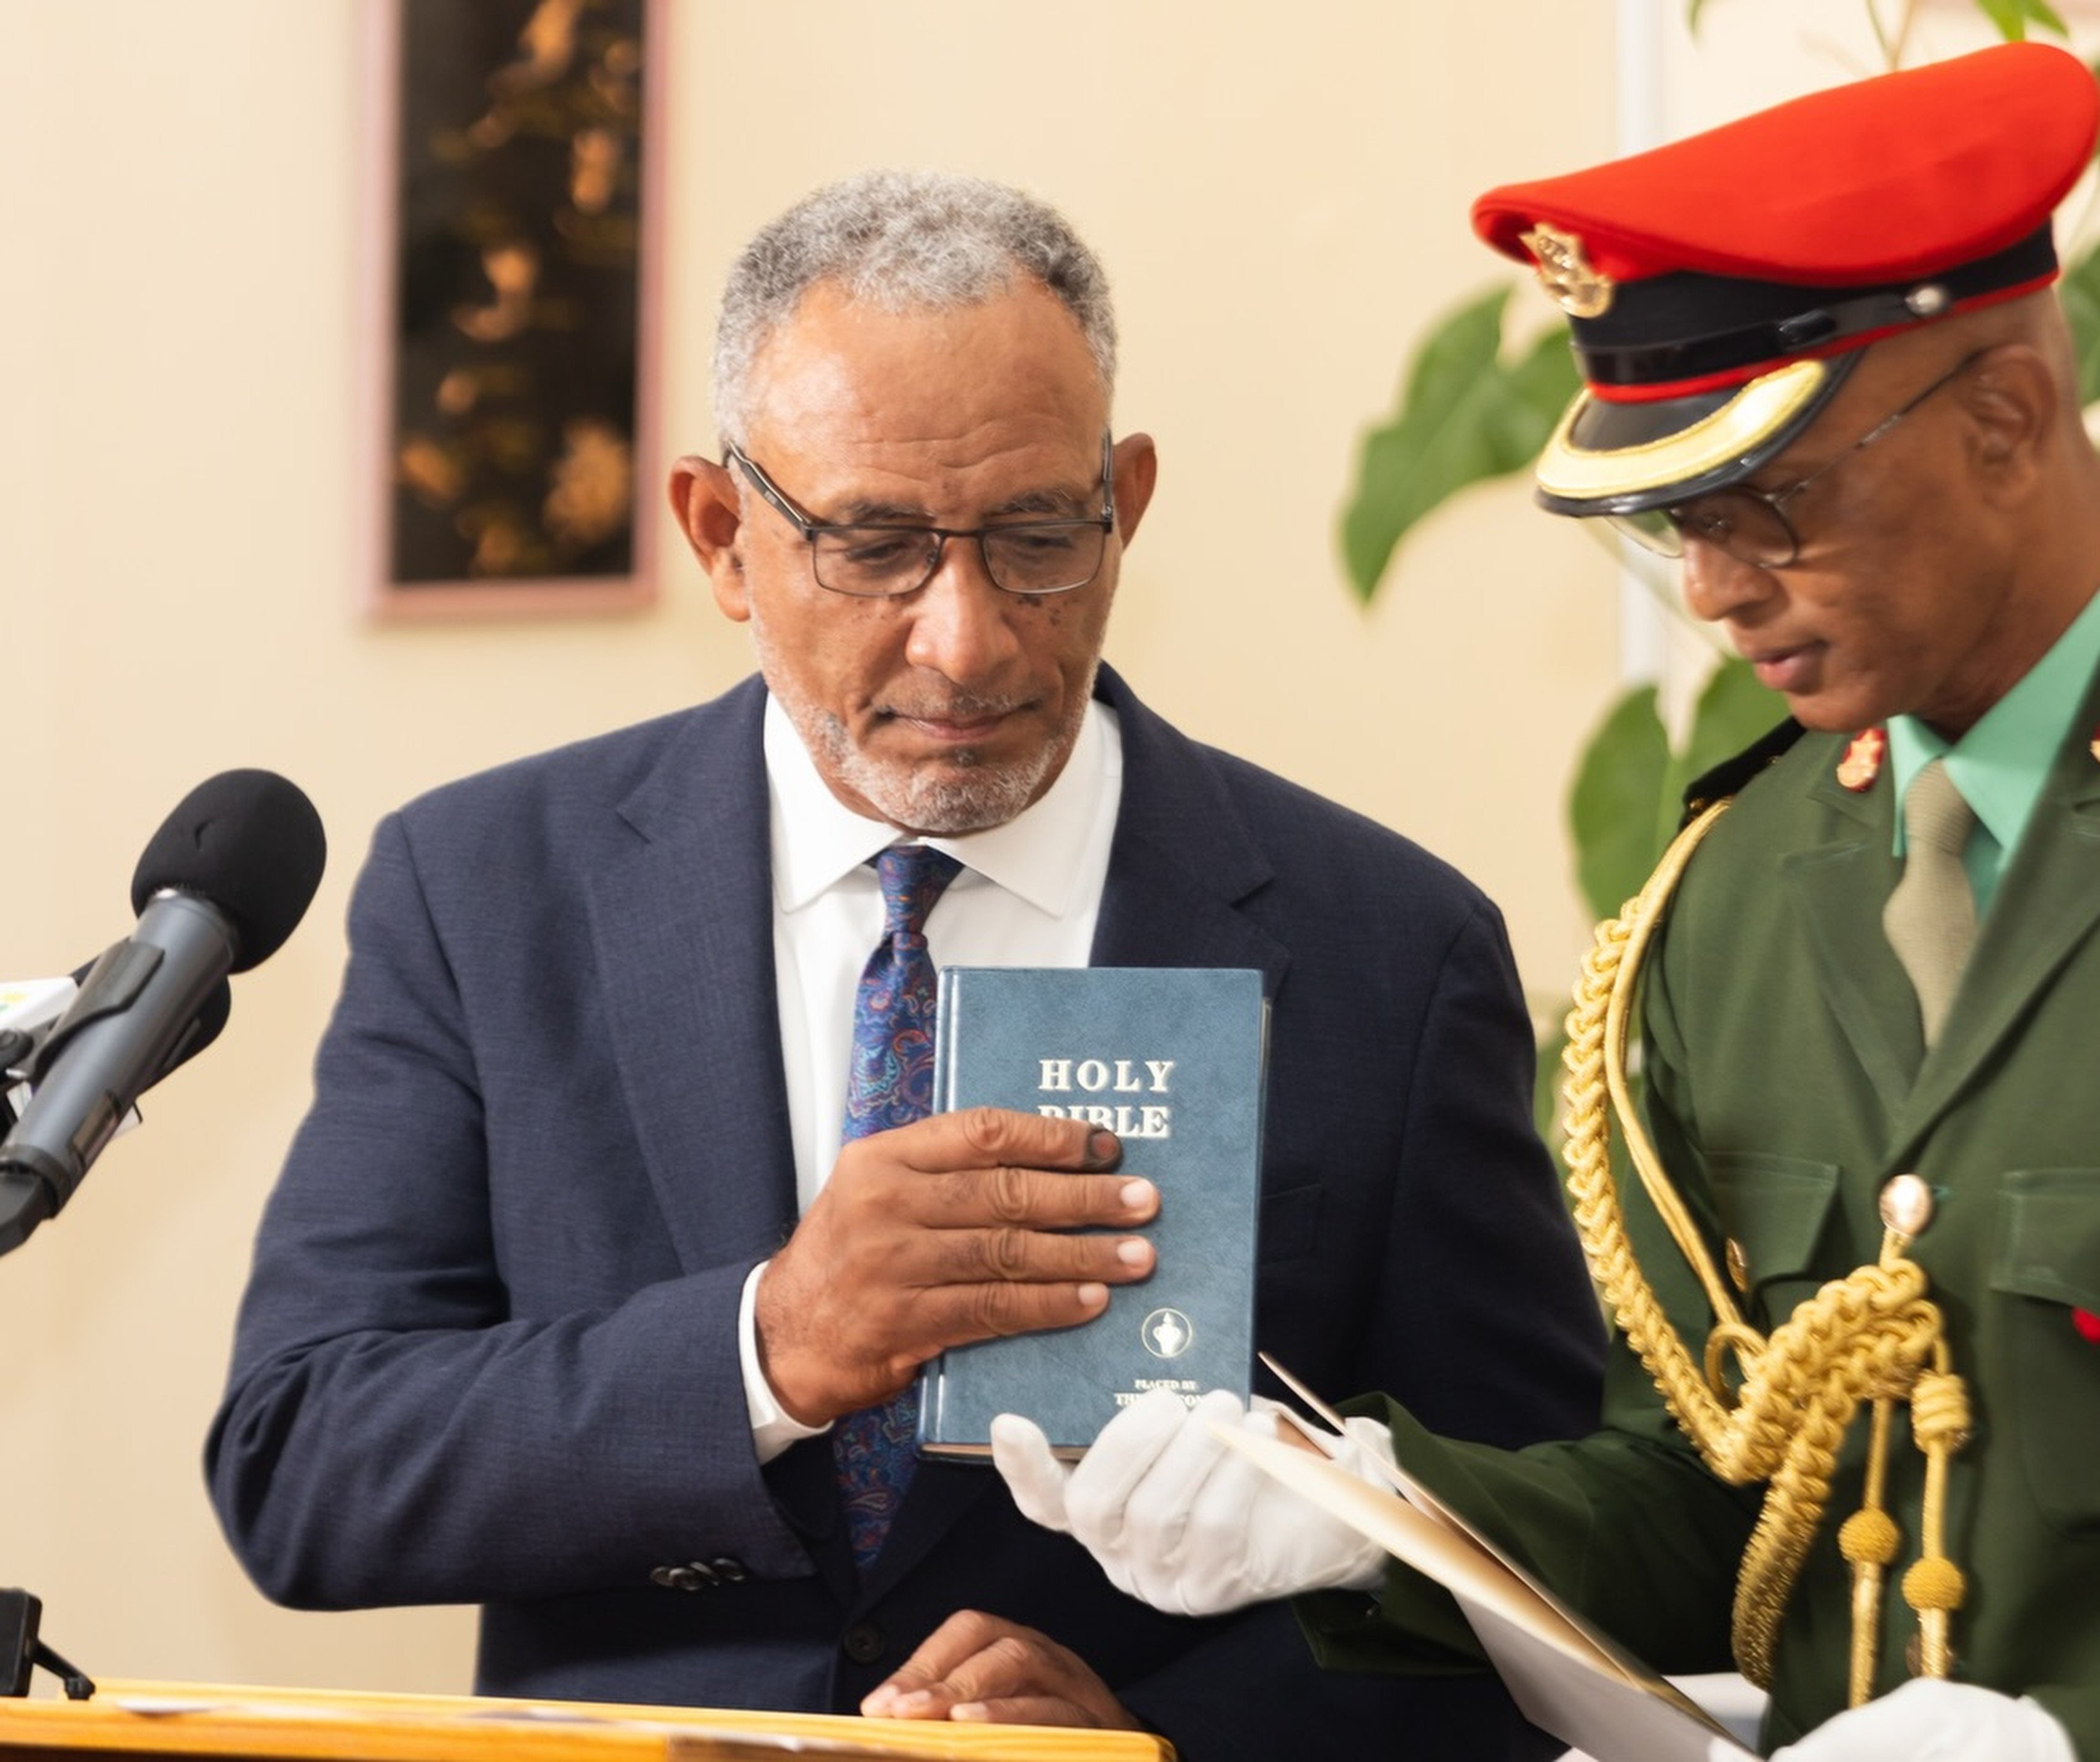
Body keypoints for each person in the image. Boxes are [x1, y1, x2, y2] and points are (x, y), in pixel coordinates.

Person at [988, 43, 2100, 1762]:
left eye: (1767, 502)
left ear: (2006, 417)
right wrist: (1381, 1522)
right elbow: (1720, 1502)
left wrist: (2089, 1748)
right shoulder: (1745, 887)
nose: (1712, 590)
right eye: (1670, 524)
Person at [205, 170, 1604, 1761]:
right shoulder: (487, 890)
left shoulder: (1384, 947)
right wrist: (770, 1347)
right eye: (873, 546)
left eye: (1033, 537)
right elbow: (303, 1463)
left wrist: (1160, 1733)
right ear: (723, 537)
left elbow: (1542, 1566)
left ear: (1123, 507)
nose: (969, 639)